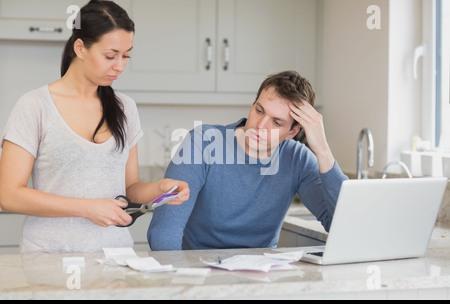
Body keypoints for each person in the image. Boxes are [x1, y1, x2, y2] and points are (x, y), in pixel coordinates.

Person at [0, 0, 189, 254]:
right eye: (110, 56)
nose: (120, 66)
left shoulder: (125, 107)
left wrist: (161, 188)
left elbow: (130, 188)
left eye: (126, 56)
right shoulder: (35, 106)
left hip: (115, 259)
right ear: (80, 48)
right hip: (48, 261)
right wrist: (87, 208)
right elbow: (9, 195)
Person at [148, 70, 348, 251]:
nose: (260, 126)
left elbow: (344, 226)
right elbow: (164, 232)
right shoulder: (203, 142)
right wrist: (181, 281)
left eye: (277, 122)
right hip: (198, 271)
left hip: (261, 275)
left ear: (292, 132)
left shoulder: (298, 158)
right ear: (252, 105)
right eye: (259, 111)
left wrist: (322, 150)